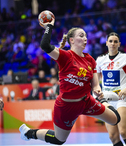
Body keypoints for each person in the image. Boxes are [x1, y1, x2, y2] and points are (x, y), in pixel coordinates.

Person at [19, 17, 120, 145]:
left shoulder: (90, 60)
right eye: (81, 35)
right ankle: (29, 133)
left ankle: (104, 100)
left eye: (86, 36)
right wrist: (49, 26)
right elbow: (45, 45)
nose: (85, 38)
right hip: (66, 106)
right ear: (71, 40)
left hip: (86, 102)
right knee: (59, 140)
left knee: (116, 119)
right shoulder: (65, 56)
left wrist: (97, 90)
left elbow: (95, 84)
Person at [96, 32, 126, 146]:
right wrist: (97, 93)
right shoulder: (100, 60)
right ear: (106, 43)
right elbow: (95, 82)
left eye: (115, 41)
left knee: (123, 131)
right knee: (113, 136)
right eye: (110, 41)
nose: (113, 43)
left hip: (123, 98)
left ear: (119, 44)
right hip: (107, 99)